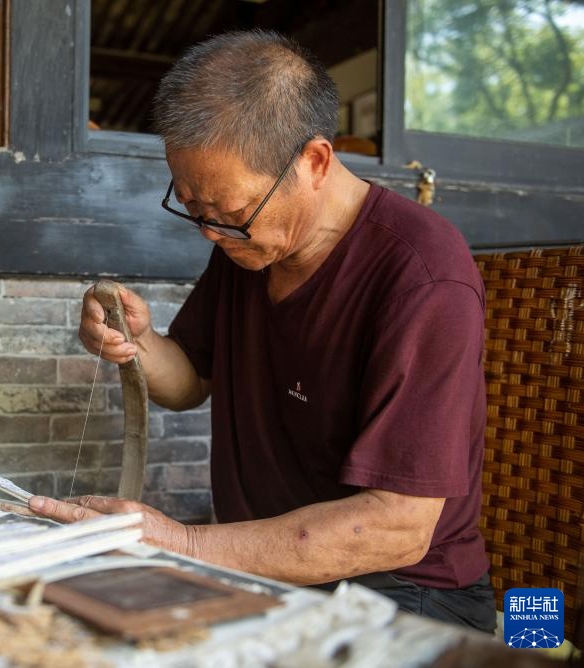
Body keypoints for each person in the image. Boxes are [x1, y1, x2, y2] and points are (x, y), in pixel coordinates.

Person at [27, 30, 496, 633]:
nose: (210, 234)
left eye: (227, 214)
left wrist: (185, 544)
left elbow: (398, 528)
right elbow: (190, 381)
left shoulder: (423, 274)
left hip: (406, 596)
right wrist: (137, 343)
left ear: (316, 162)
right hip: (268, 574)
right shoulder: (248, 246)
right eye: (193, 208)